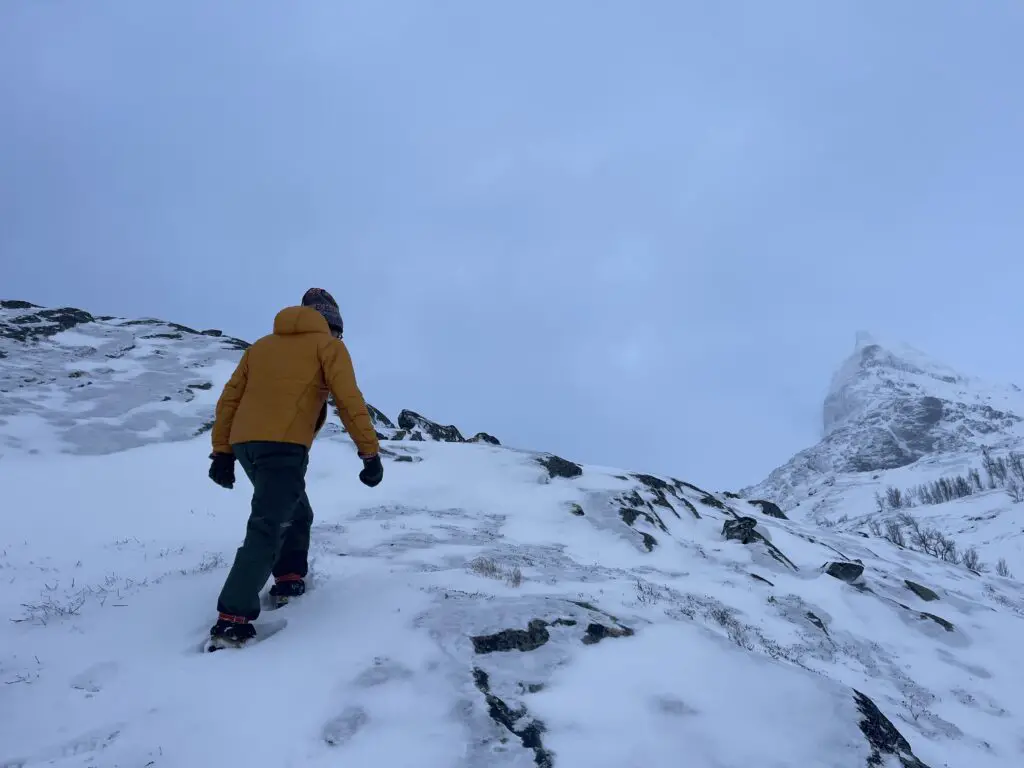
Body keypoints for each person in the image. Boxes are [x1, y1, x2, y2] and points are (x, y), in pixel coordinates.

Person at [205, 287, 382, 647]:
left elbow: (230, 399)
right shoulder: (328, 347)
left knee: (296, 511)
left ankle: (288, 577)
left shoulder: (260, 348)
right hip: (283, 447)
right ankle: (232, 618)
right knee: (269, 524)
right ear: (331, 325)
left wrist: (223, 452)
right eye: (339, 331)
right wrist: (369, 453)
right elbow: (349, 400)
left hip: (246, 445)